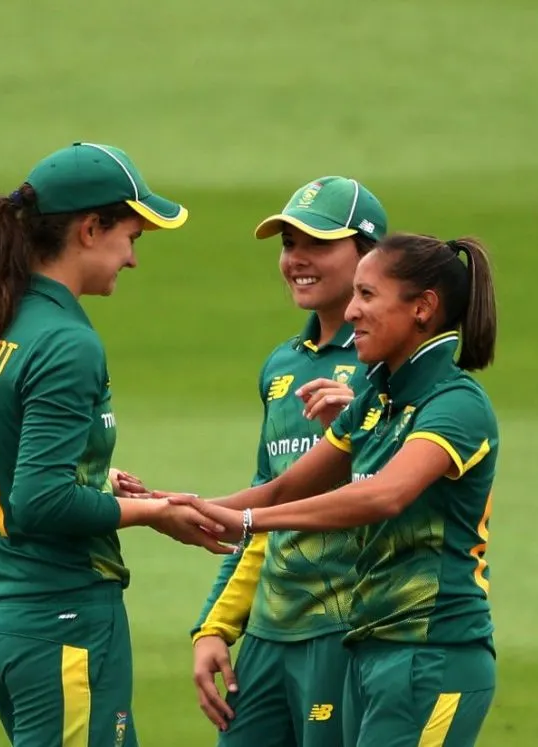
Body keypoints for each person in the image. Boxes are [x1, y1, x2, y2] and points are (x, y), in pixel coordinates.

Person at [0, 142, 224, 747]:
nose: (133, 260)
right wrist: (156, 511)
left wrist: (95, 482)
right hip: (64, 623)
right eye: (131, 238)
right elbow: (39, 502)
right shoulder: (66, 342)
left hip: (8, 628)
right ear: (90, 229)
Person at [162, 232, 501, 747]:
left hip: (435, 655)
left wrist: (248, 523)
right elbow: (283, 490)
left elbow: (384, 495)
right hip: (368, 653)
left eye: (367, 296)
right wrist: (171, 505)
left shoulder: (455, 404)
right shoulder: (373, 401)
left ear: (423, 308)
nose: (351, 312)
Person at [186, 176, 388, 747]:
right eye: (288, 244)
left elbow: (409, 494)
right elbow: (266, 505)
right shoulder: (281, 367)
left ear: (369, 255)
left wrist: (370, 427)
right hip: (269, 637)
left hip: (344, 631)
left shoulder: (392, 365)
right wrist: (215, 627)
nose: (297, 259)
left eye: (318, 244)